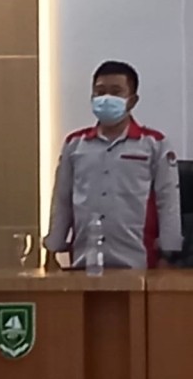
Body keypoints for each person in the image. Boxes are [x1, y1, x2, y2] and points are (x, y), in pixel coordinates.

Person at [44, 61, 182, 270]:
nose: (106, 98)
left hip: (138, 261)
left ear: (132, 100)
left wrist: (168, 254)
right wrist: (52, 249)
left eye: (116, 92)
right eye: (100, 92)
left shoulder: (154, 143)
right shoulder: (75, 144)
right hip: (85, 260)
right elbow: (62, 200)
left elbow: (168, 201)